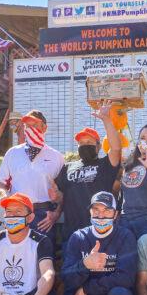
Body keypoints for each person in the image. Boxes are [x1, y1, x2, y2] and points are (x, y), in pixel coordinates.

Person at [51, 102, 121, 242]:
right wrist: (55, 195)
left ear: (98, 146)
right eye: (81, 143)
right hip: (72, 233)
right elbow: (60, 195)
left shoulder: (105, 164)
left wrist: (106, 119)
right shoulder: (67, 167)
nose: (84, 145)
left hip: (99, 231)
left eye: (89, 142)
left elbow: (116, 149)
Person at [0, 110, 64, 246]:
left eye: (35, 125)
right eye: (27, 126)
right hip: (17, 213)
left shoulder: (57, 157)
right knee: (17, 255)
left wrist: (56, 213)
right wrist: (5, 196)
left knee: (43, 257)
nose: (30, 129)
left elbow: (63, 191)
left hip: (43, 216)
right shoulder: (13, 153)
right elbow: (1, 182)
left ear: (44, 128)